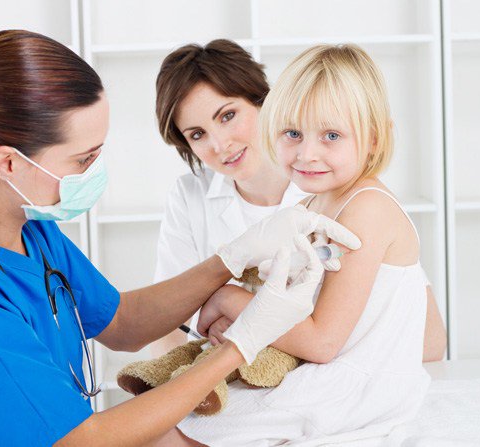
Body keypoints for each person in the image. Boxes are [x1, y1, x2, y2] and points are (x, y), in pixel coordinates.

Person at [0, 30, 360, 447]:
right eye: (83, 159)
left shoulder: (30, 231)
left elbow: (121, 322)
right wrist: (241, 345)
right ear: (8, 163)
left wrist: (231, 258)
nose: (96, 172)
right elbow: (78, 441)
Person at [175, 44, 435, 446]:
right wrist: (239, 320)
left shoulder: (367, 208)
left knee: (179, 433)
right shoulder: (313, 204)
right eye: (292, 133)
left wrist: (229, 300)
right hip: (321, 370)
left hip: (359, 387)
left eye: (331, 135)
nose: (307, 154)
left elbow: (322, 342)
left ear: (373, 138)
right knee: (170, 422)